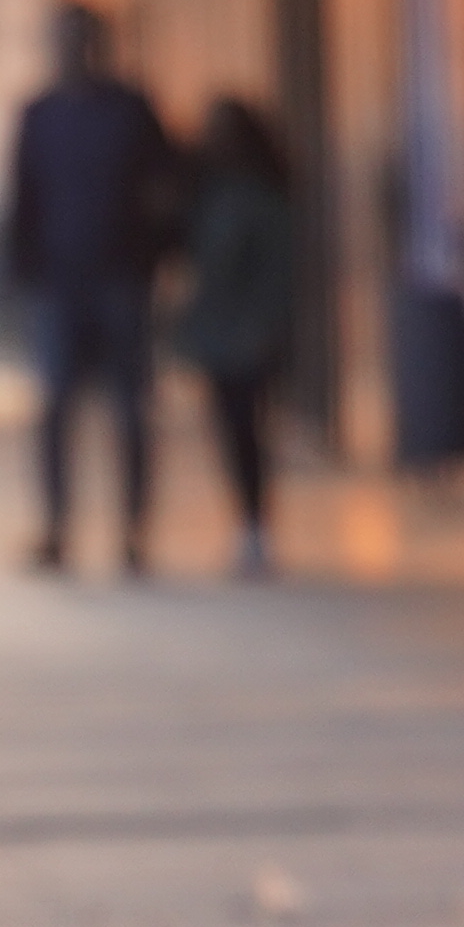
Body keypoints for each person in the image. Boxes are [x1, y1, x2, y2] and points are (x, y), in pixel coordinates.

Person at [2, 0, 178, 574]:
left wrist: (153, 256)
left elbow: (165, 187)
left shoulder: (130, 109)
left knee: (130, 410)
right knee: (56, 409)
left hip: (120, 277)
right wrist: (23, 268)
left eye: (82, 39)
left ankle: (133, 531)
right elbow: (21, 197)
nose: (73, 50)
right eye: (63, 39)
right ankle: (57, 527)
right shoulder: (39, 114)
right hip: (60, 280)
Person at [168, 97, 304, 579]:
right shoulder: (206, 194)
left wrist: (270, 328)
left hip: (249, 334)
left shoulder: (263, 197)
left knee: (248, 431)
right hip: (218, 335)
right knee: (230, 431)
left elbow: (277, 272)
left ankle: (255, 525)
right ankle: (247, 523)